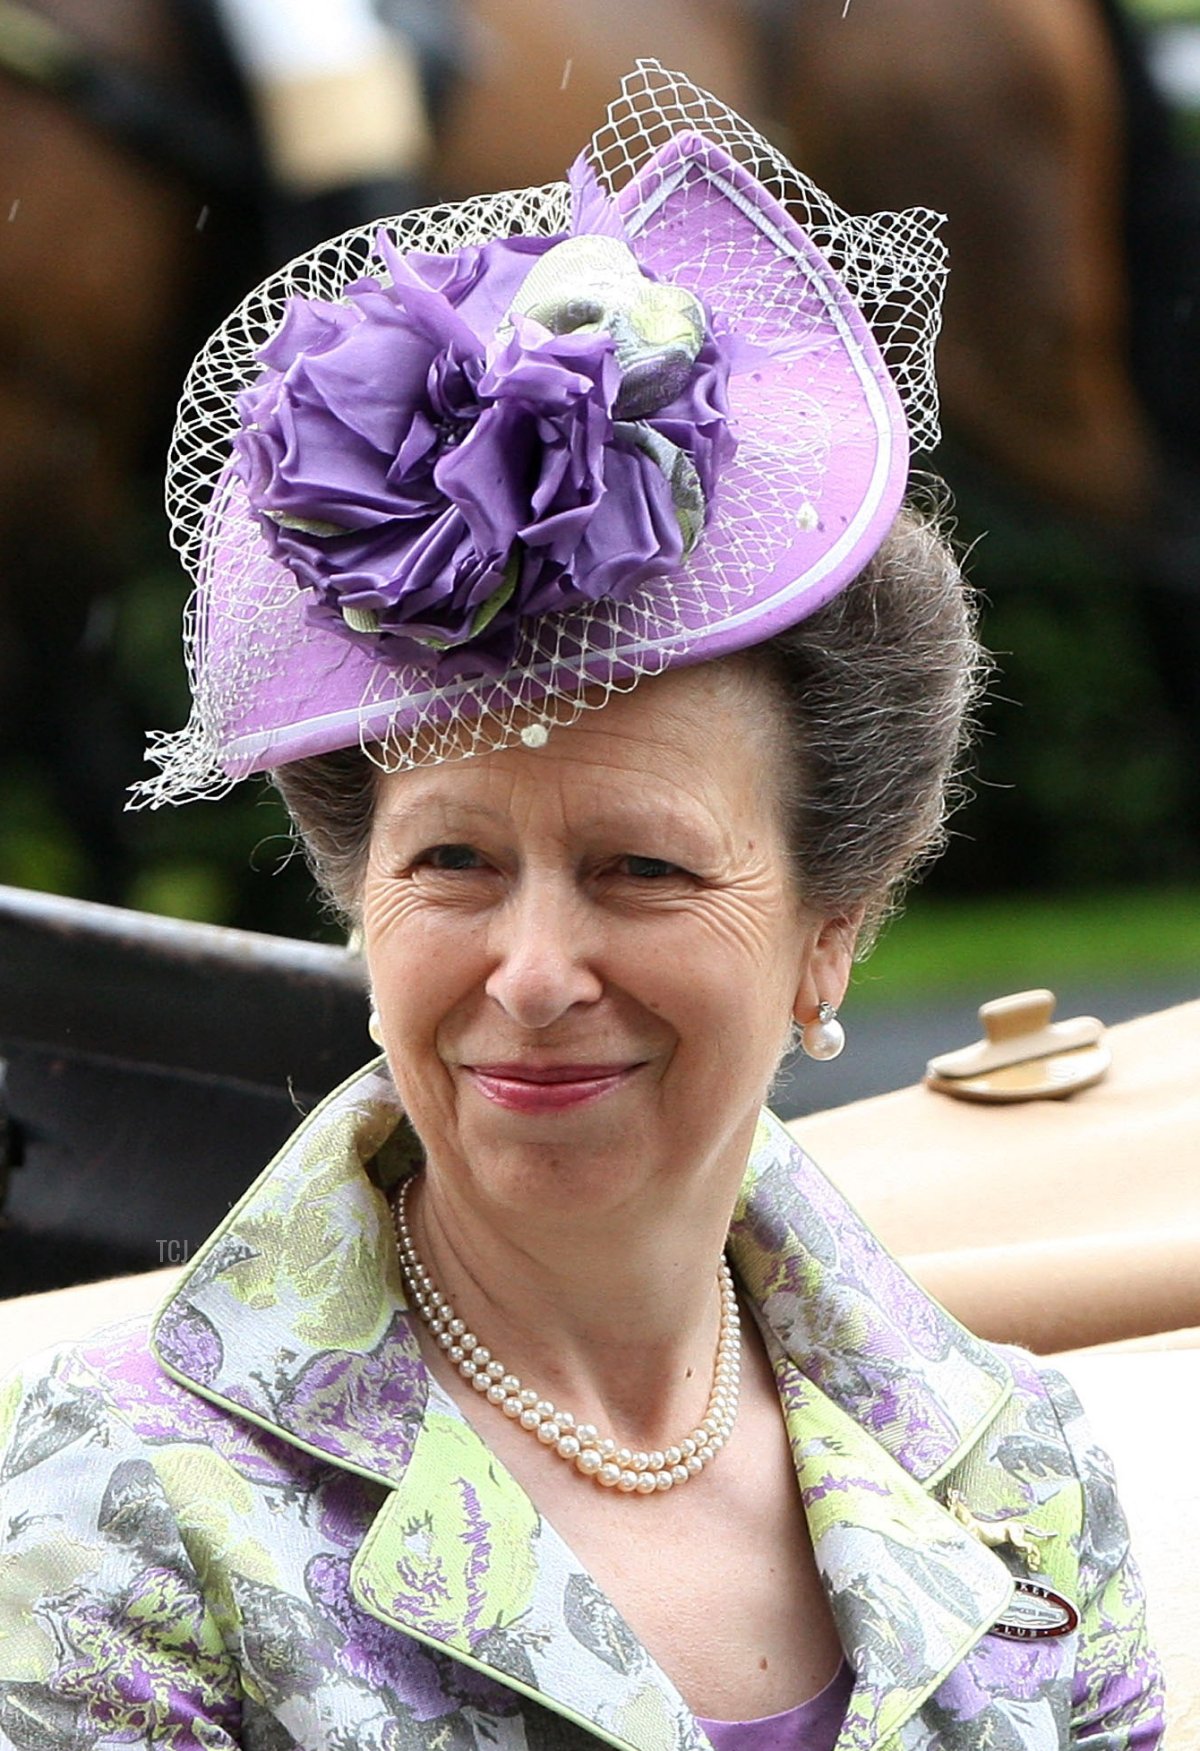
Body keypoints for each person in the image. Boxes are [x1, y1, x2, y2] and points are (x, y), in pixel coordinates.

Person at [0, 62, 1163, 1751]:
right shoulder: (129, 1511)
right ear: (359, 896)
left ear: (834, 924)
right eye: (454, 863)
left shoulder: (1022, 1476)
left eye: (645, 869)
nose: (533, 972)